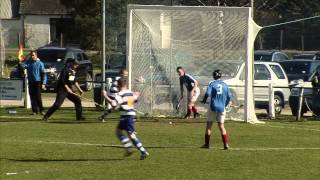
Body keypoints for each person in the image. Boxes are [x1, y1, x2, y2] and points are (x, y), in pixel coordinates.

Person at [102, 78, 149, 160]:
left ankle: (140, 150)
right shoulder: (130, 93)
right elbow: (135, 100)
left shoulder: (120, 94)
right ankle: (134, 149)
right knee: (120, 132)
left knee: (129, 135)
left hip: (126, 117)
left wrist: (105, 96)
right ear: (126, 85)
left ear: (118, 86)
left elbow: (113, 104)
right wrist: (136, 95)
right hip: (130, 116)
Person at [201, 70, 231, 150]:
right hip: (222, 108)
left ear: (214, 76)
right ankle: (226, 144)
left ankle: (207, 144)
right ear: (220, 76)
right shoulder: (225, 84)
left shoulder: (212, 83)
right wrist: (225, 104)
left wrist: (204, 100)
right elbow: (229, 97)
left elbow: (207, 93)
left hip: (213, 107)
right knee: (221, 126)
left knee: (209, 125)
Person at [20, 50, 47, 115]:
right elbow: (23, 66)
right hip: (31, 82)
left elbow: (43, 74)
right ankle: (34, 111)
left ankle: (41, 110)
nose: (32, 56)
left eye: (33, 55)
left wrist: (43, 83)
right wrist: (22, 61)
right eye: (31, 55)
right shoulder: (28, 63)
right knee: (32, 97)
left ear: (36, 56)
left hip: (38, 82)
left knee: (38, 96)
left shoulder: (40, 63)